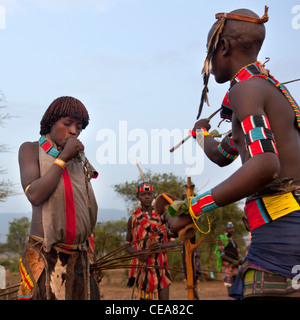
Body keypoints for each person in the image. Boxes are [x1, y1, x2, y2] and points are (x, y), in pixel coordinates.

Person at [167, 6, 300, 299]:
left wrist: (192, 208)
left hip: (281, 238)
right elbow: (226, 153)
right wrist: (201, 136)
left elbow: (265, 164)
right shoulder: (268, 90)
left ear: (224, 47)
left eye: (209, 52)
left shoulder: (246, 89)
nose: (209, 62)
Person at [17, 96, 99, 300]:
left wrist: (90, 251)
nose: (74, 131)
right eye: (67, 123)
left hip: (78, 258)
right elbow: (35, 195)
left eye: (79, 127)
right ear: (51, 121)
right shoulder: (30, 149)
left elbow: (84, 209)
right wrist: (62, 159)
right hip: (45, 256)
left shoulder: (78, 160)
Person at [126, 182, 174, 300]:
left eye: (149, 194)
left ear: (153, 196)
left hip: (161, 267)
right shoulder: (133, 219)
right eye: (143, 194)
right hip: (143, 270)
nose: (147, 197)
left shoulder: (163, 216)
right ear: (138, 197)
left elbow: (175, 241)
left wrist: (162, 245)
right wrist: (137, 253)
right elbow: (128, 245)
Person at [214, 222, 242, 296]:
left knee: (237, 288)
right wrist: (235, 262)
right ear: (225, 229)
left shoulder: (234, 241)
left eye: (232, 228)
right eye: (229, 228)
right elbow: (222, 255)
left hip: (235, 267)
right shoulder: (221, 239)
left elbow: (238, 254)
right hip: (227, 267)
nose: (231, 230)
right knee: (230, 289)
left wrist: (240, 260)